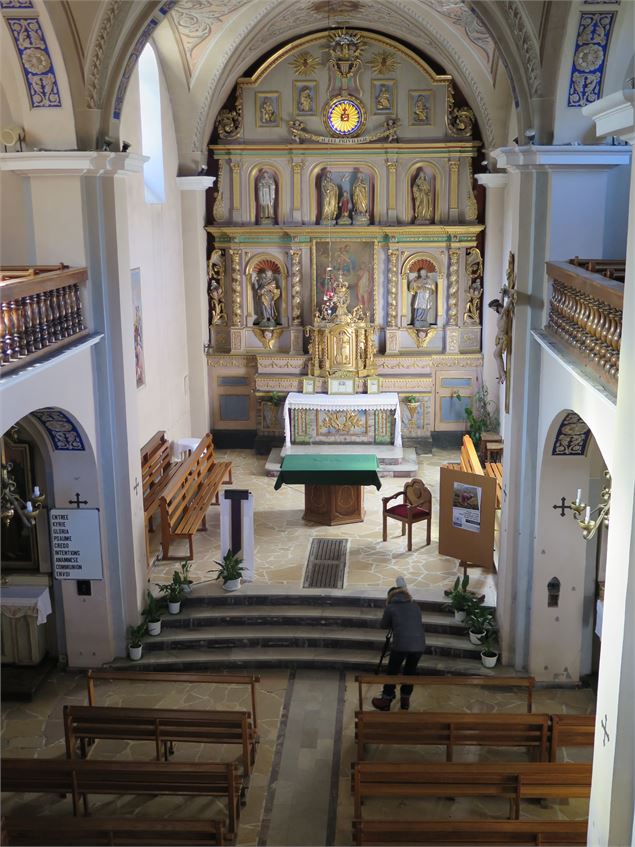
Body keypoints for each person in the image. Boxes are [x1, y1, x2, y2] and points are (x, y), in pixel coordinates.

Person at [372, 577, 426, 711]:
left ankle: (386, 699)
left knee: (392, 671)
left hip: (401, 643)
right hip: (419, 644)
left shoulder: (391, 607)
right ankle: (405, 700)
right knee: (410, 671)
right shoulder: (415, 605)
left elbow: (383, 625)